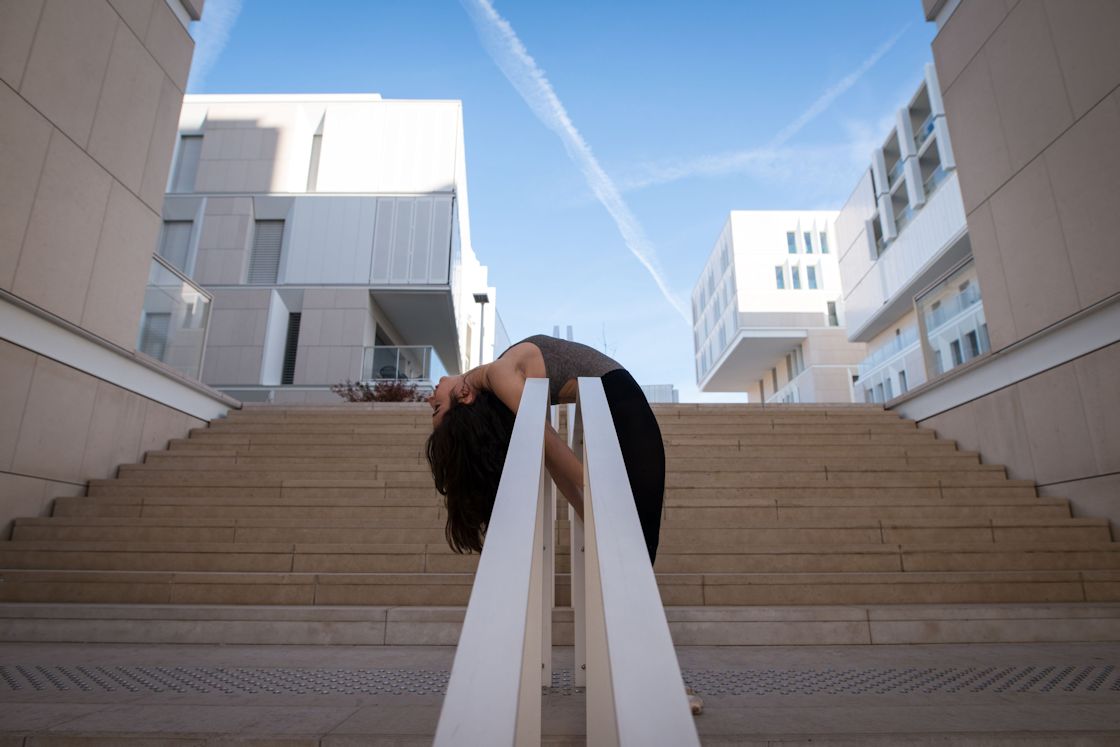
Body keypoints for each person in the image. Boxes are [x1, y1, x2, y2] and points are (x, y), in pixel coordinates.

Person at [425, 334, 665, 564]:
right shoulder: (499, 376)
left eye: (434, 408)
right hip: (623, 405)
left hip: (618, 404)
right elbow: (550, 449)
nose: (429, 399)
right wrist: (591, 512)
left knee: (639, 545)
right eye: (437, 407)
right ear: (464, 396)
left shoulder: (499, 375)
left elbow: (549, 444)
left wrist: (594, 497)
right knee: (638, 546)